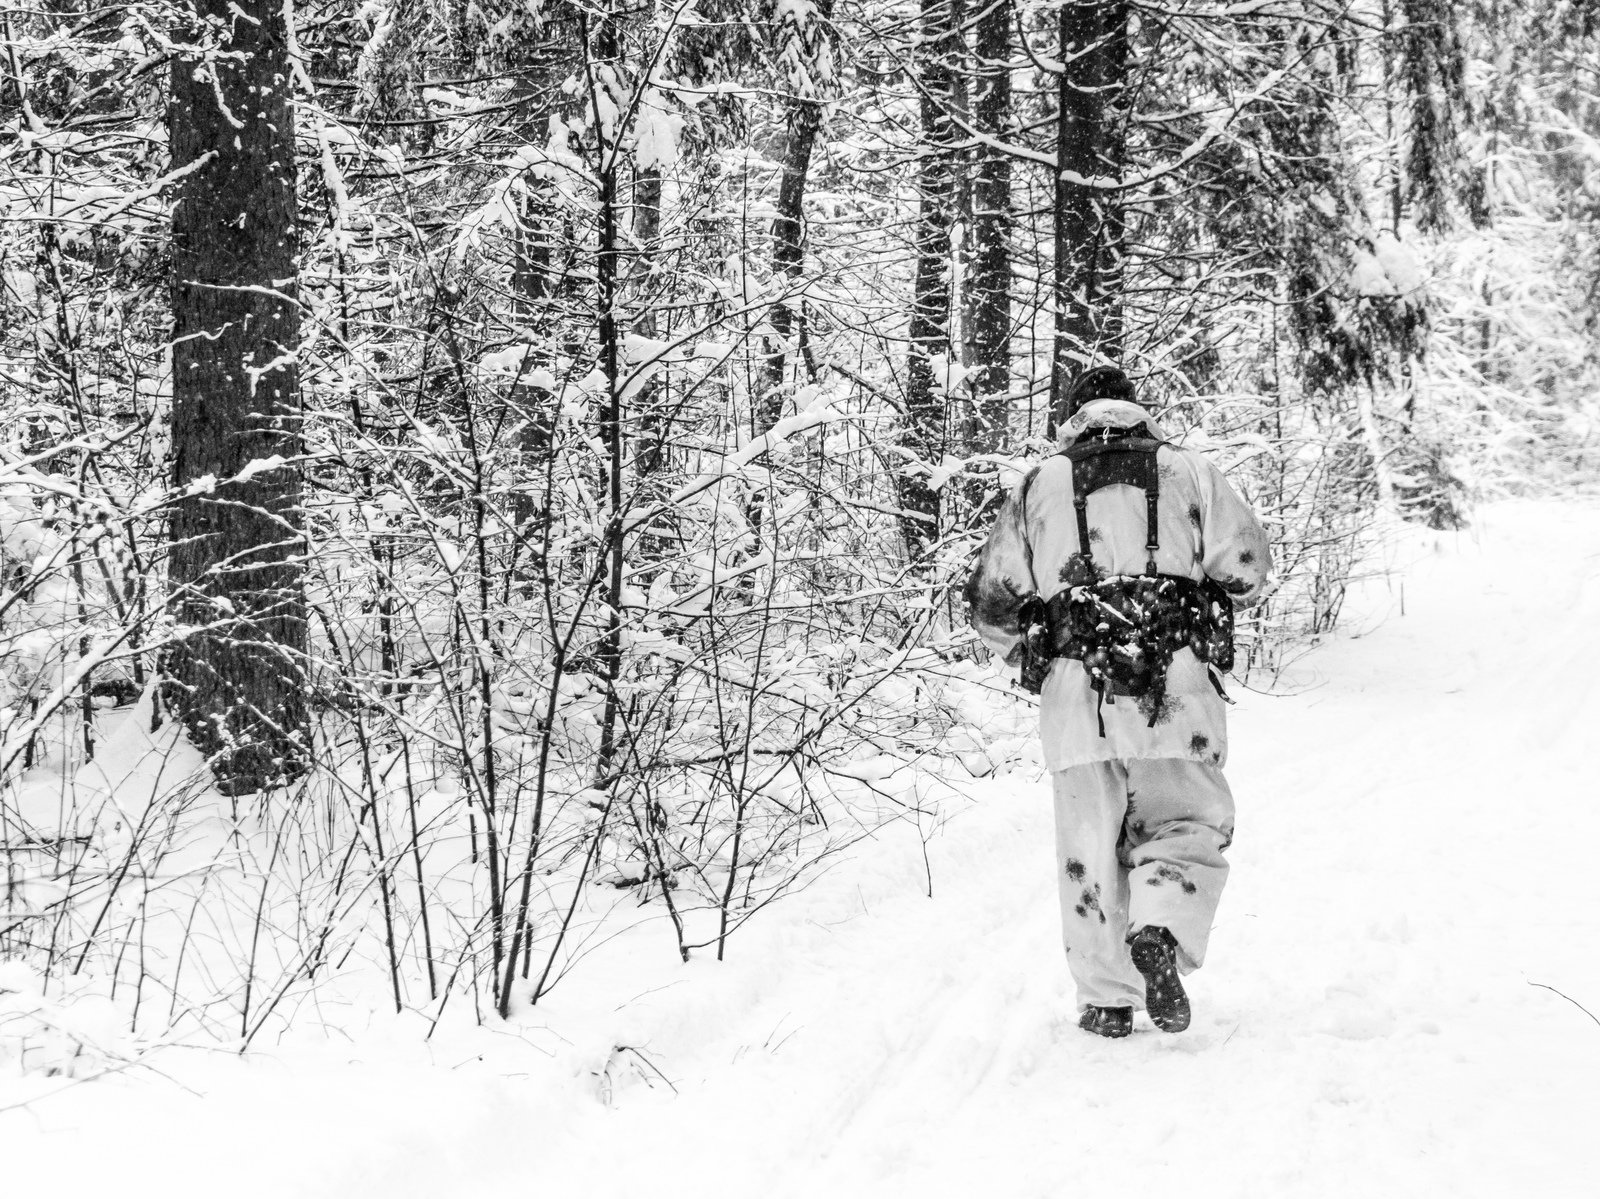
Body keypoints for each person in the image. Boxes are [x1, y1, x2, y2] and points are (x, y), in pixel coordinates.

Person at [964, 367, 1272, 1037]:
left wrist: (1040, 648)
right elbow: (1246, 565)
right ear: (1137, 410)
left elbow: (989, 607)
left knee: (1088, 848)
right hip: (1178, 689)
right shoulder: (1189, 471)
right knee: (1187, 824)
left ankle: (1106, 1002)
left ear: (1072, 417)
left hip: (1078, 698)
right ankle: (1160, 926)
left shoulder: (1037, 486)